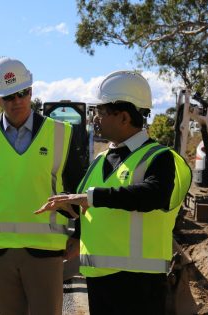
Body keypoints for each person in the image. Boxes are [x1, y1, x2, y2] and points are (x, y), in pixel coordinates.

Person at [36, 70, 191, 314]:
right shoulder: (100, 160)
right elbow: (87, 206)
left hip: (141, 284)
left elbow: (153, 194)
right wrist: (68, 210)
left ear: (124, 117)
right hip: (99, 278)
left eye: (101, 112)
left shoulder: (160, 158)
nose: (95, 119)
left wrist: (89, 198)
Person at [0, 57, 83, 315]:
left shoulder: (62, 133)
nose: (17, 101)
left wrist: (79, 234)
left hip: (47, 251)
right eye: (8, 96)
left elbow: (77, 186)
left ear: (31, 91)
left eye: (22, 93)